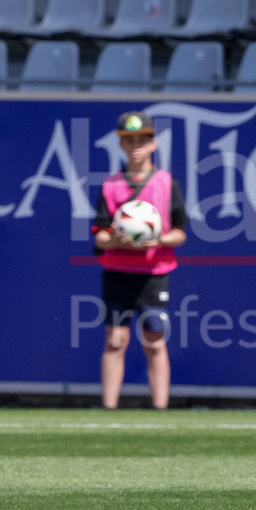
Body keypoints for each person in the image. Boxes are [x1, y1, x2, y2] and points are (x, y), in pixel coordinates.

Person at [92, 112, 188, 410]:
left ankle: (160, 410)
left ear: (153, 144)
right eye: (128, 140)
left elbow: (180, 232)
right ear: (121, 145)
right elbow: (99, 236)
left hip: (153, 273)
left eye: (141, 140)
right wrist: (116, 240)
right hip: (118, 272)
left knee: (154, 341)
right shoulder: (111, 185)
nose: (135, 146)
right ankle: (109, 410)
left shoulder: (165, 182)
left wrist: (158, 239)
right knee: (115, 341)